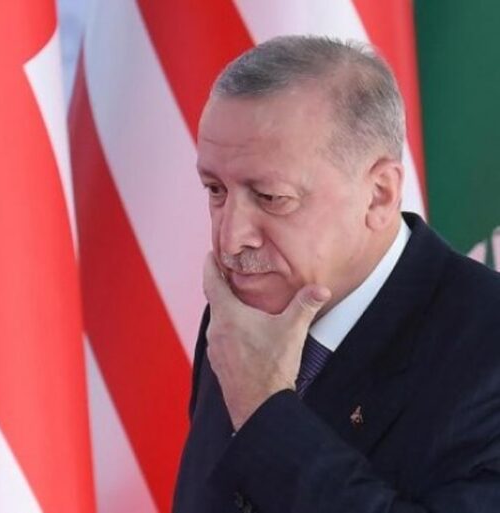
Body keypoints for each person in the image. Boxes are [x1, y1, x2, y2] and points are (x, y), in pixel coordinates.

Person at [173, 35, 500, 512]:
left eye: (271, 198)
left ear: (379, 194)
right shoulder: (240, 315)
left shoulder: (487, 349)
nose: (231, 238)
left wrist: (264, 409)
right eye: (215, 190)